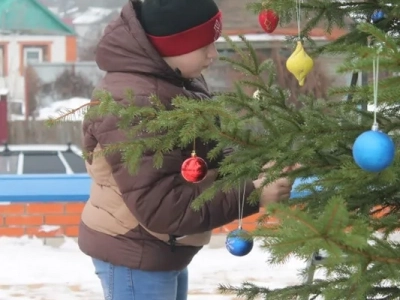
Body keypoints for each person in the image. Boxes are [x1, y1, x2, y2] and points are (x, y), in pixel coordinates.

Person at [78, 0, 295, 299]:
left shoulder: (176, 83)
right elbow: (162, 205)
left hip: (160, 249)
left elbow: (203, 154)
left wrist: (255, 166)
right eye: (203, 46)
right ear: (170, 46)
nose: (213, 56)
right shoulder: (137, 102)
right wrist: (252, 193)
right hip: (136, 254)